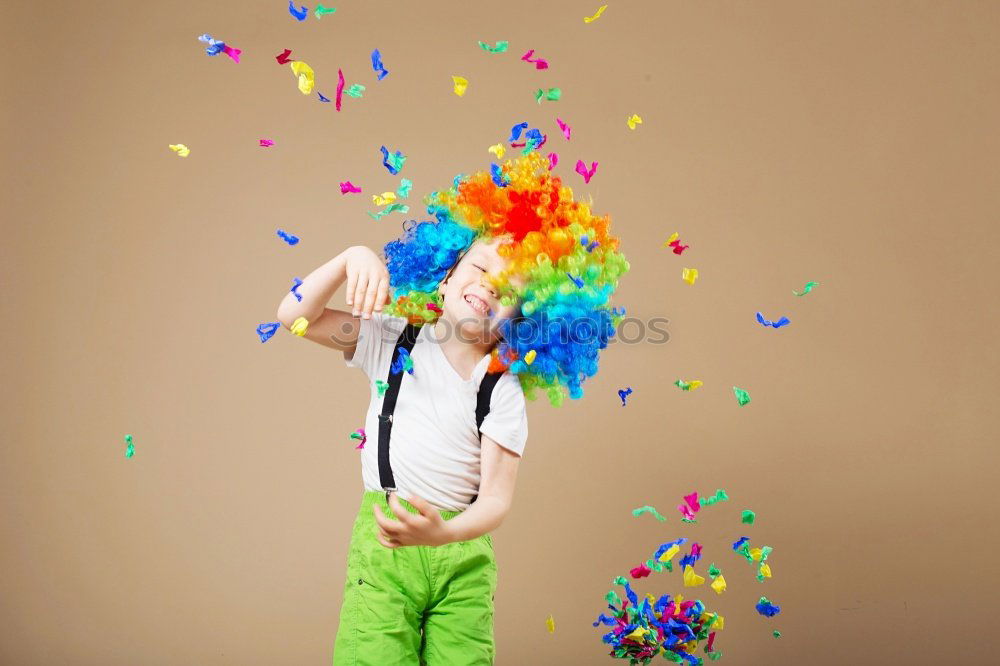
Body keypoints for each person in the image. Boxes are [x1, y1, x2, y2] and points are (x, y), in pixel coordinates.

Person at [276, 151, 628, 665]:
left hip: (462, 559)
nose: (489, 283)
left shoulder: (499, 391)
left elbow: (495, 502)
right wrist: (351, 257)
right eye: (481, 266)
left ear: (524, 322)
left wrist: (446, 534)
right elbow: (293, 315)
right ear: (444, 274)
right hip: (386, 543)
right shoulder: (389, 341)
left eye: (510, 288)